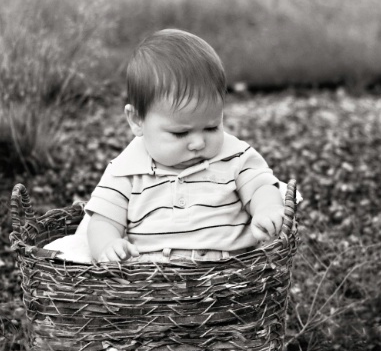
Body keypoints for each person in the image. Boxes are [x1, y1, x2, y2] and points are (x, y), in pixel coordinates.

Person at [85, 29, 284, 263]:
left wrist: (266, 210)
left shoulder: (235, 156)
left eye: (212, 127)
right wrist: (108, 246)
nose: (199, 143)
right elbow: (103, 221)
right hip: (153, 285)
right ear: (137, 120)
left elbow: (261, 186)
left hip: (230, 278)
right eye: (180, 133)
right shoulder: (125, 171)